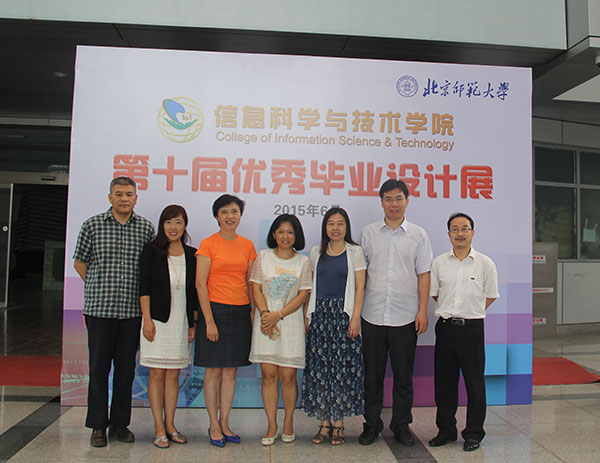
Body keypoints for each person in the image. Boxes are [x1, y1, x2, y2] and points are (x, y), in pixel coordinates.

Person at [73, 176, 154, 447]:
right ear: (110, 197)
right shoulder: (93, 225)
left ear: (135, 198)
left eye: (129, 194)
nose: (124, 198)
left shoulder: (145, 228)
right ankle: (98, 425)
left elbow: (148, 268)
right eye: (119, 194)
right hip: (100, 310)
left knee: (125, 370)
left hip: (131, 312)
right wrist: (97, 285)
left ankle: (120, 424)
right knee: (98, 368)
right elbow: (79, 262)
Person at [359, 179, 432, 446]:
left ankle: (401, 425)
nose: (394, 204)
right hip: (372, 315)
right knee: (372, 376)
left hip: (405, 317)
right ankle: (371, 424)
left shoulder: (418, 235)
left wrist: (422, 310)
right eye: (388, 199)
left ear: (407, 201)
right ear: (381, 202)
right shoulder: (368, 233)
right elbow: (360, 275)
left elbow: (424, 275)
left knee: (403, 377)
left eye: (398, 198)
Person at [428, 212, 498, 452]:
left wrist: (471, 310)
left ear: (472, 233)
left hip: (472, 329)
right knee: (444, 383)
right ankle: (446, 430)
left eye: (464, 228)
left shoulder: (485, 263)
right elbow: (435, 294)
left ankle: (474, 433)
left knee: (474, 383)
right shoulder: (439, 263)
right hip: (446, 328)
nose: (460, 233)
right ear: (449, 234)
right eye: (455, 229)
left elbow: (491, 295)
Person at [194, 194, 257, 447]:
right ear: (216, 216)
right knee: (213, 371)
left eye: (234, 211)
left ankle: (225, 422)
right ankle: (213, 424)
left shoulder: (247, 245)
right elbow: (200, 284)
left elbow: (250, 284)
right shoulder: (208, 244)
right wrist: (209, 321)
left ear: (240, 215)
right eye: (224, 212)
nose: (230, 216)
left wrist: (252, 313)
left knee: (231, 371)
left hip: (240, 312)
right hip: (215, 311)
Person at [301, 207, 366, 446]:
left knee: (341, 370)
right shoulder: (316, 252)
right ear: (325, 227)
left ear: (346, 227)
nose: (335, 228)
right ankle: (324, 422)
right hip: (320, 316)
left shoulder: (355, 252)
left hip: (344, 315)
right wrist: (307, 315)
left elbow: (360, 287)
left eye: (340, 223)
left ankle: (338, 422)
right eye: (331, 223)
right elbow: (309, 286)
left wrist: (355, 318)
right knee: (321, 370)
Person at [139, 205, 199, 448]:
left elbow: (193, 293)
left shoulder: (192, 254)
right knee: (156, 374)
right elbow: (144, 287)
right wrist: (147, 319)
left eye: (178, 222)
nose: (173, 227)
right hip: (156, 321)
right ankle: (158, 427)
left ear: (185, 225)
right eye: (168, 222)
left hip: (181, 322)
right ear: (162, 225)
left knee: (174, 375)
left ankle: (171, 425)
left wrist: (192, 323)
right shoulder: (151, 251)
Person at [249, 214, 311, 446]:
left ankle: (288, 421)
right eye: (281, 231)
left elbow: (303, 295)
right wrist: (266, 314)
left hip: (290, 323)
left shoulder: (303, 261)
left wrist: (279, 314)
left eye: (290, 232)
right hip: (266, 324)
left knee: (288, 377)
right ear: (274, 234)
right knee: (268, 376)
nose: (285, 236)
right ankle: (271, 425)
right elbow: (256, 288)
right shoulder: (263, 257)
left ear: (297, 235)